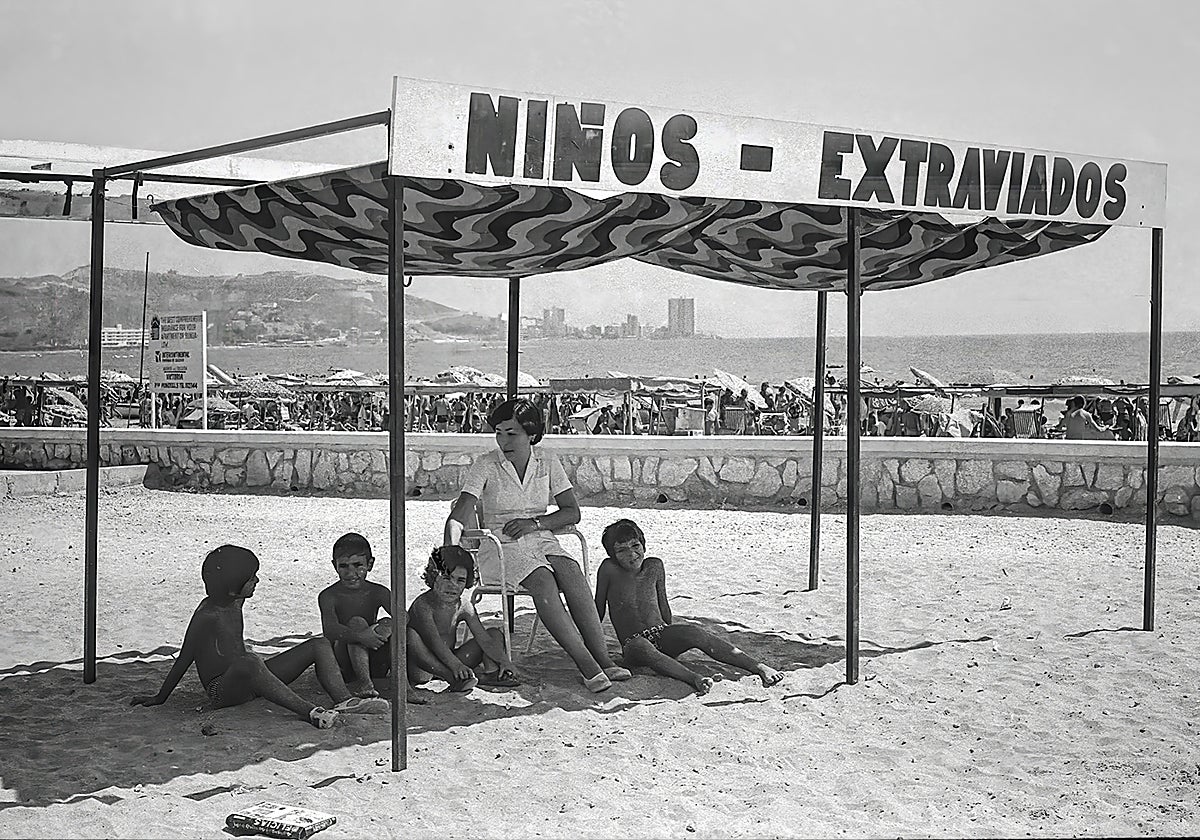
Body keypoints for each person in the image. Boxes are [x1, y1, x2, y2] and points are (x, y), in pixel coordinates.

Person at [444, 397, 631, 693]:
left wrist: (536, 524)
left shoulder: (546, 460)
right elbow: (460, 514)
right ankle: (588, 666)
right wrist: (450, 551)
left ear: (531, 434)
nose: (503, 440)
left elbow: (572, 512)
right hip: (500, 545)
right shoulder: (486, 465)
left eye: (512, 433)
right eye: (499, 432)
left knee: (572, 572)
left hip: (540, 536)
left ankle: (604, 659)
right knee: (543, 580)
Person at [131, 544, 388, 728]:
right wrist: (159, 697)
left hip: (251, 677)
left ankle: (344, 700)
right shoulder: (207, 614)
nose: (257, 580)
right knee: (251, 660)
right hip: (224, 690)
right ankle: (312, 712)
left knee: (319, 644)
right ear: (233, 583)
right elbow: (185, 657)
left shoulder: (235, 602)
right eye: (250, 577)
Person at [594, 519, 784, 696]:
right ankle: (693, 678)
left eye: (635, 546)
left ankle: (758, 667)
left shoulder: (655, 566)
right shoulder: (609, 570)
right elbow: (598, 608)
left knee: (696, 633)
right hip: (633, 644)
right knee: (642, 645)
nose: (632, 554)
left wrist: (672, 634)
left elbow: (663, 604)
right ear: (612, 555)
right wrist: (596, 648)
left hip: (660, 633)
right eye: (622, 550)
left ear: (643, 544)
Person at [317, 531, 428, 704]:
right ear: (334, 566)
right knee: (357, 622)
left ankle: (404, 688)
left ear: (370, 564)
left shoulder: (378, 592)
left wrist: (386, 628)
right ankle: (364, 684)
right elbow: (330, 630)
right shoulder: (329, 595)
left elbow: (403, 616)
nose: (351, 572)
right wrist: (361, 637)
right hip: (345, 664)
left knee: (395, 625)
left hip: (375, 660)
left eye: (357, 565)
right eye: (344, 566)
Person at [407, 545, 520, 692]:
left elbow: (484, 639)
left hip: (452, 661)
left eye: (460, 580)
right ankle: (451, 678)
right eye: (446, 577)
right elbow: (434, 642)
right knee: (411, 635)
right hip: (425, 667)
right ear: (433, 576)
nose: (452, 585)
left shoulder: (464, 606)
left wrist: (504, 660)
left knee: (494, 633)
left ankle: (492, 673)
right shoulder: (423, 605)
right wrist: (456, 666)